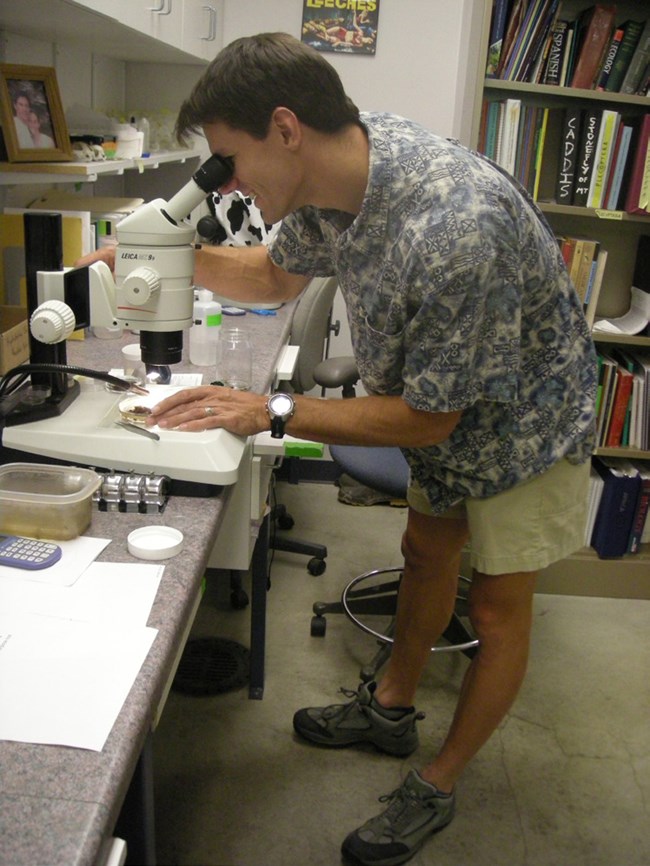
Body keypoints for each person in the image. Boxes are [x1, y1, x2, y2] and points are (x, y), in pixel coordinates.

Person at [78, 33, 597, 866]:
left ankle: (437, 783)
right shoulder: (338, 171)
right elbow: (275, 278)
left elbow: (430, 422)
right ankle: (390, 710)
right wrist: (163, 253)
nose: (227, 183)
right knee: (425, 551)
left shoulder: (453, 224)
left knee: (496, 608)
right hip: (442, 400)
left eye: (228, 160)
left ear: (284, 127)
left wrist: (269, 408)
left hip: (526, 421)